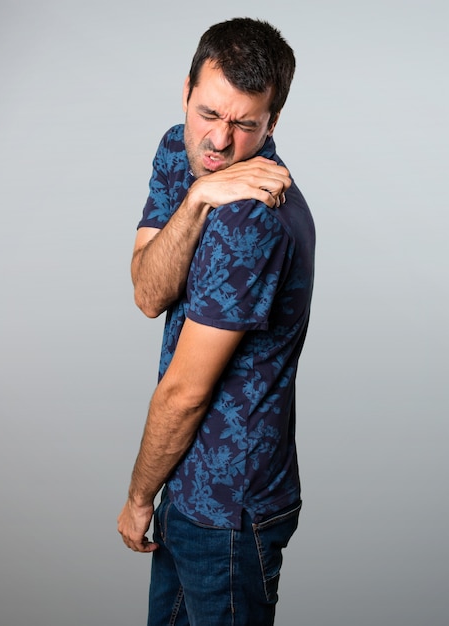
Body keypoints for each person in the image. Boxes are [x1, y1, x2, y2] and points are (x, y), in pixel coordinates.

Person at [118, 17, 315, 626]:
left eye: (245, 125)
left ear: (273, 122)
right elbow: (149, 292)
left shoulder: (251, 220)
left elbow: (184, 394)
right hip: (186, 486)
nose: (220, 143)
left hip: (230, 509)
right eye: (208, 114)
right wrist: (199, 197)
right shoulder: (182, 153)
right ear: (186, 92)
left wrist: (137, 497)